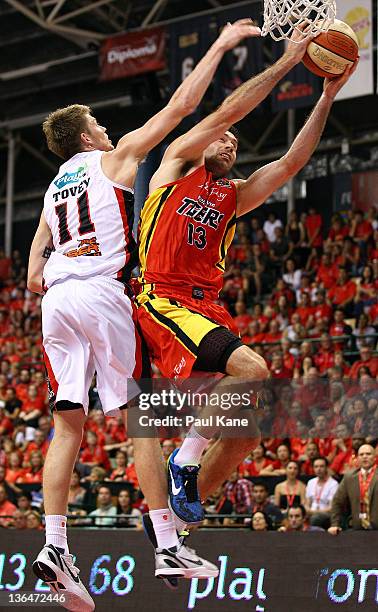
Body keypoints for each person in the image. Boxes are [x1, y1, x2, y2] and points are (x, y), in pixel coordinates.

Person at [27, 21, 258, 605]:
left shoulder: (56, 183)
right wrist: (222, 46)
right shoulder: (116, 157)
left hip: (54, 299)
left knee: (67, 428)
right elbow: (183, 105)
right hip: (102, 293)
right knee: (145, 425)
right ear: (85, 136)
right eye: (98, 125)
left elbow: (38, 247)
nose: (107, 130)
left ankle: (54, 546)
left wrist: (36, 266)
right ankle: (166, 544)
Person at [136, 29, 357, 562]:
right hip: (161, 297)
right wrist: (285, 62)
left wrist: (327, 93)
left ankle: (168, 527)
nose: (230, 143)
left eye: (236, 143)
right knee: (253, 370)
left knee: (246, 432)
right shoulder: (174, 165)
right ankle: (184, 460)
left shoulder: (232, 197)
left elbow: (288, 165)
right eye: (224, 137)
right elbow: (229, 112)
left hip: (204, 306)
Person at [329, 444, 378, 533]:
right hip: (357, 528)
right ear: (357, 459)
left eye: (368, 454)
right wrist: (335, 524)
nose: (365, 457)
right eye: (361, 455)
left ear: (375, 457)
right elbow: (337, 501)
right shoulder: (349, 477)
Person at [305, 457, 338, 528]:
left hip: (326, 514)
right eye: (316, 467)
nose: (319, 469)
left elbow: (331, 508)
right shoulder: (311, 482)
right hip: (311, 512)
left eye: (321, 466)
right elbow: (307, 503)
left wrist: (315, 512)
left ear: (326, 468)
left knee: (315, 518)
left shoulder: (333, 484)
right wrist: (307, 510)